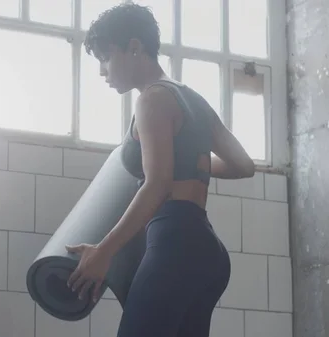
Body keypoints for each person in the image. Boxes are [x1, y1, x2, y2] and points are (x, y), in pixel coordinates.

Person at [64, 3, 256, 337]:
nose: (102, 71)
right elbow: (244, 165)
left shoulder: (151, 99)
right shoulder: (191, 98)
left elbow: (156, 185)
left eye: (106, 57)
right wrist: (185, 163)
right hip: (206, 249)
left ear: (134, 48)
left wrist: (103, 252)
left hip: (175, 243)